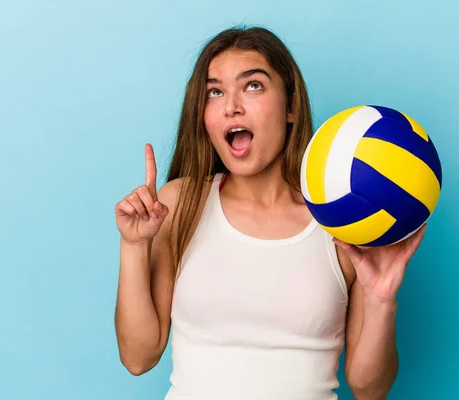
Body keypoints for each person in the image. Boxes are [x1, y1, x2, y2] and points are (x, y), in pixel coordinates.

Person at [114, 26, 426, 400]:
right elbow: (138, 357)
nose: (231, 105)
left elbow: (369, 390)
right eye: (215, 92)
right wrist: (133, 246)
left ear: (291, 106)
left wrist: (381, 299)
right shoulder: (181, 203)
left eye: (253, 86)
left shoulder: (341, 220)